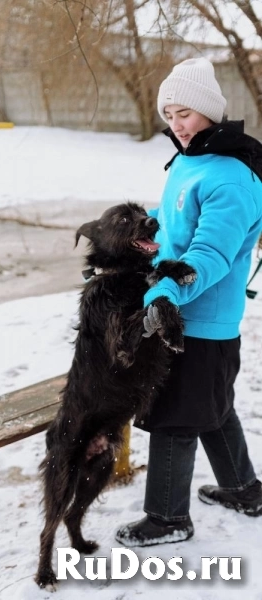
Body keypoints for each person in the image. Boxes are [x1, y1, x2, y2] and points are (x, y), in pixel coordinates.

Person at [115, 57, 262, 547]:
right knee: (213, 407)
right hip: (186, 312)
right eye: (170, 113)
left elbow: (210, 255)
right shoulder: (191, 159)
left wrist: (165, 292)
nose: (176, 125)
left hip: (198, 319)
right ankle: (246, 490)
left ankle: (167, 519)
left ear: (210, 114)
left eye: (186, 113)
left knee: (176, 416)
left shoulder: (231, 178)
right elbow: (177, 220)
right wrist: (143, 232)